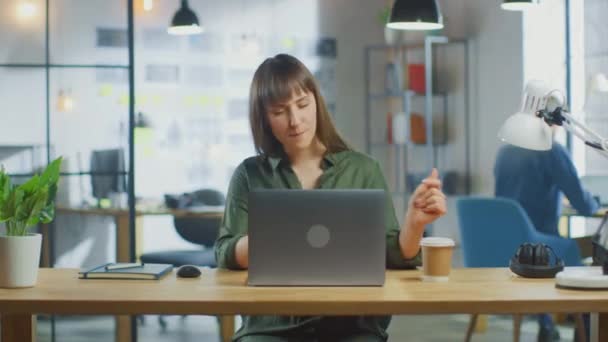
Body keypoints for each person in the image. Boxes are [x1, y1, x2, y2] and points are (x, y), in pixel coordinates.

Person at [214, 53, 447, 342]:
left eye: (302, 105)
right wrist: (271, 237)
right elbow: (224, 253)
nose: (295, 120)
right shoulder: (249, 174)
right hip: (271, 328)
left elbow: (392, 253)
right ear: (263, 117)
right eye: (279, 111)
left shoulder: (363, 169)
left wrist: (414, 224)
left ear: (316, 101)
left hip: (352, 326)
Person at [494, 140, 599, 342]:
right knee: (581, 252)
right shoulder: (550, 148)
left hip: (505, 245)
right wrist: (595, 205)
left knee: (559, 251)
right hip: (539, 246)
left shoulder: (505, 150)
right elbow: (582, 203)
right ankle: (585, 330)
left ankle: (547, 326)